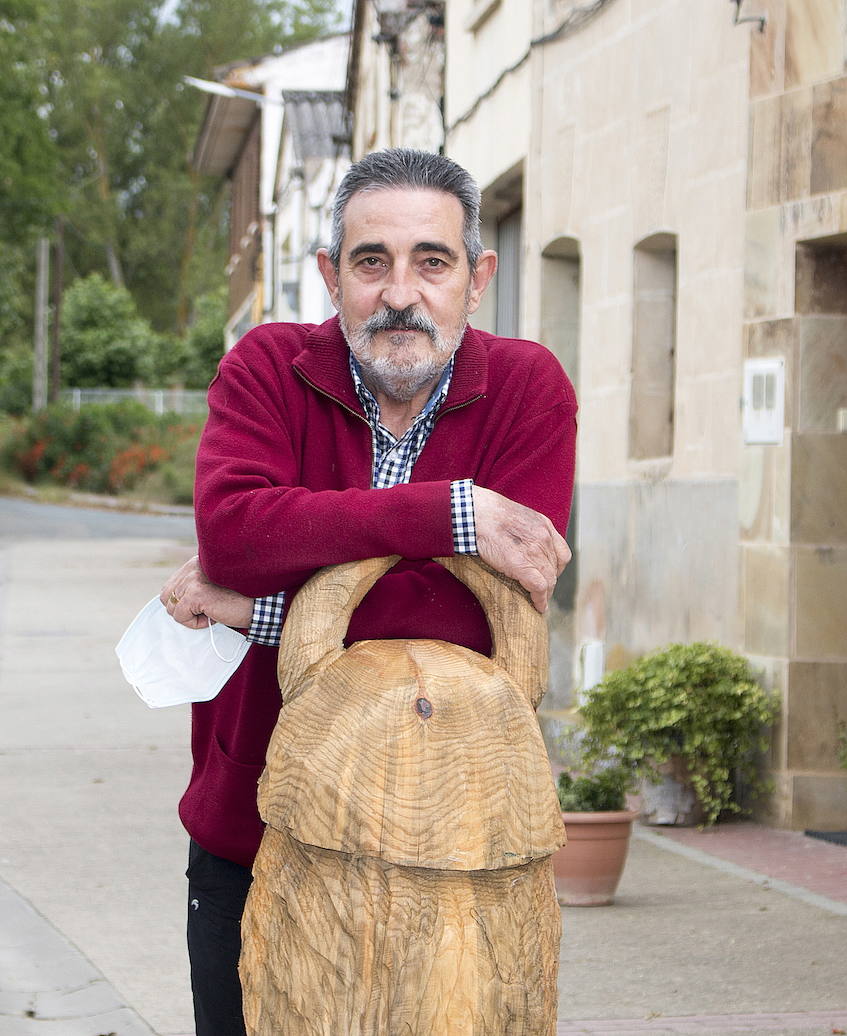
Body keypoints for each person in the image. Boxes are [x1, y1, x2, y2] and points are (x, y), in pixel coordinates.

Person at [157, 147, 575, 1035]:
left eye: (433, 261)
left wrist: (265, 607)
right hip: (260, 826)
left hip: (459, 849)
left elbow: (480, 624)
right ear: (330, 275)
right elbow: (232, 534)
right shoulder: (268, 368)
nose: (400, 292)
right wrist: (452, 514)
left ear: (477, 277)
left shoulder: (529, 390)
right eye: (370, 261)